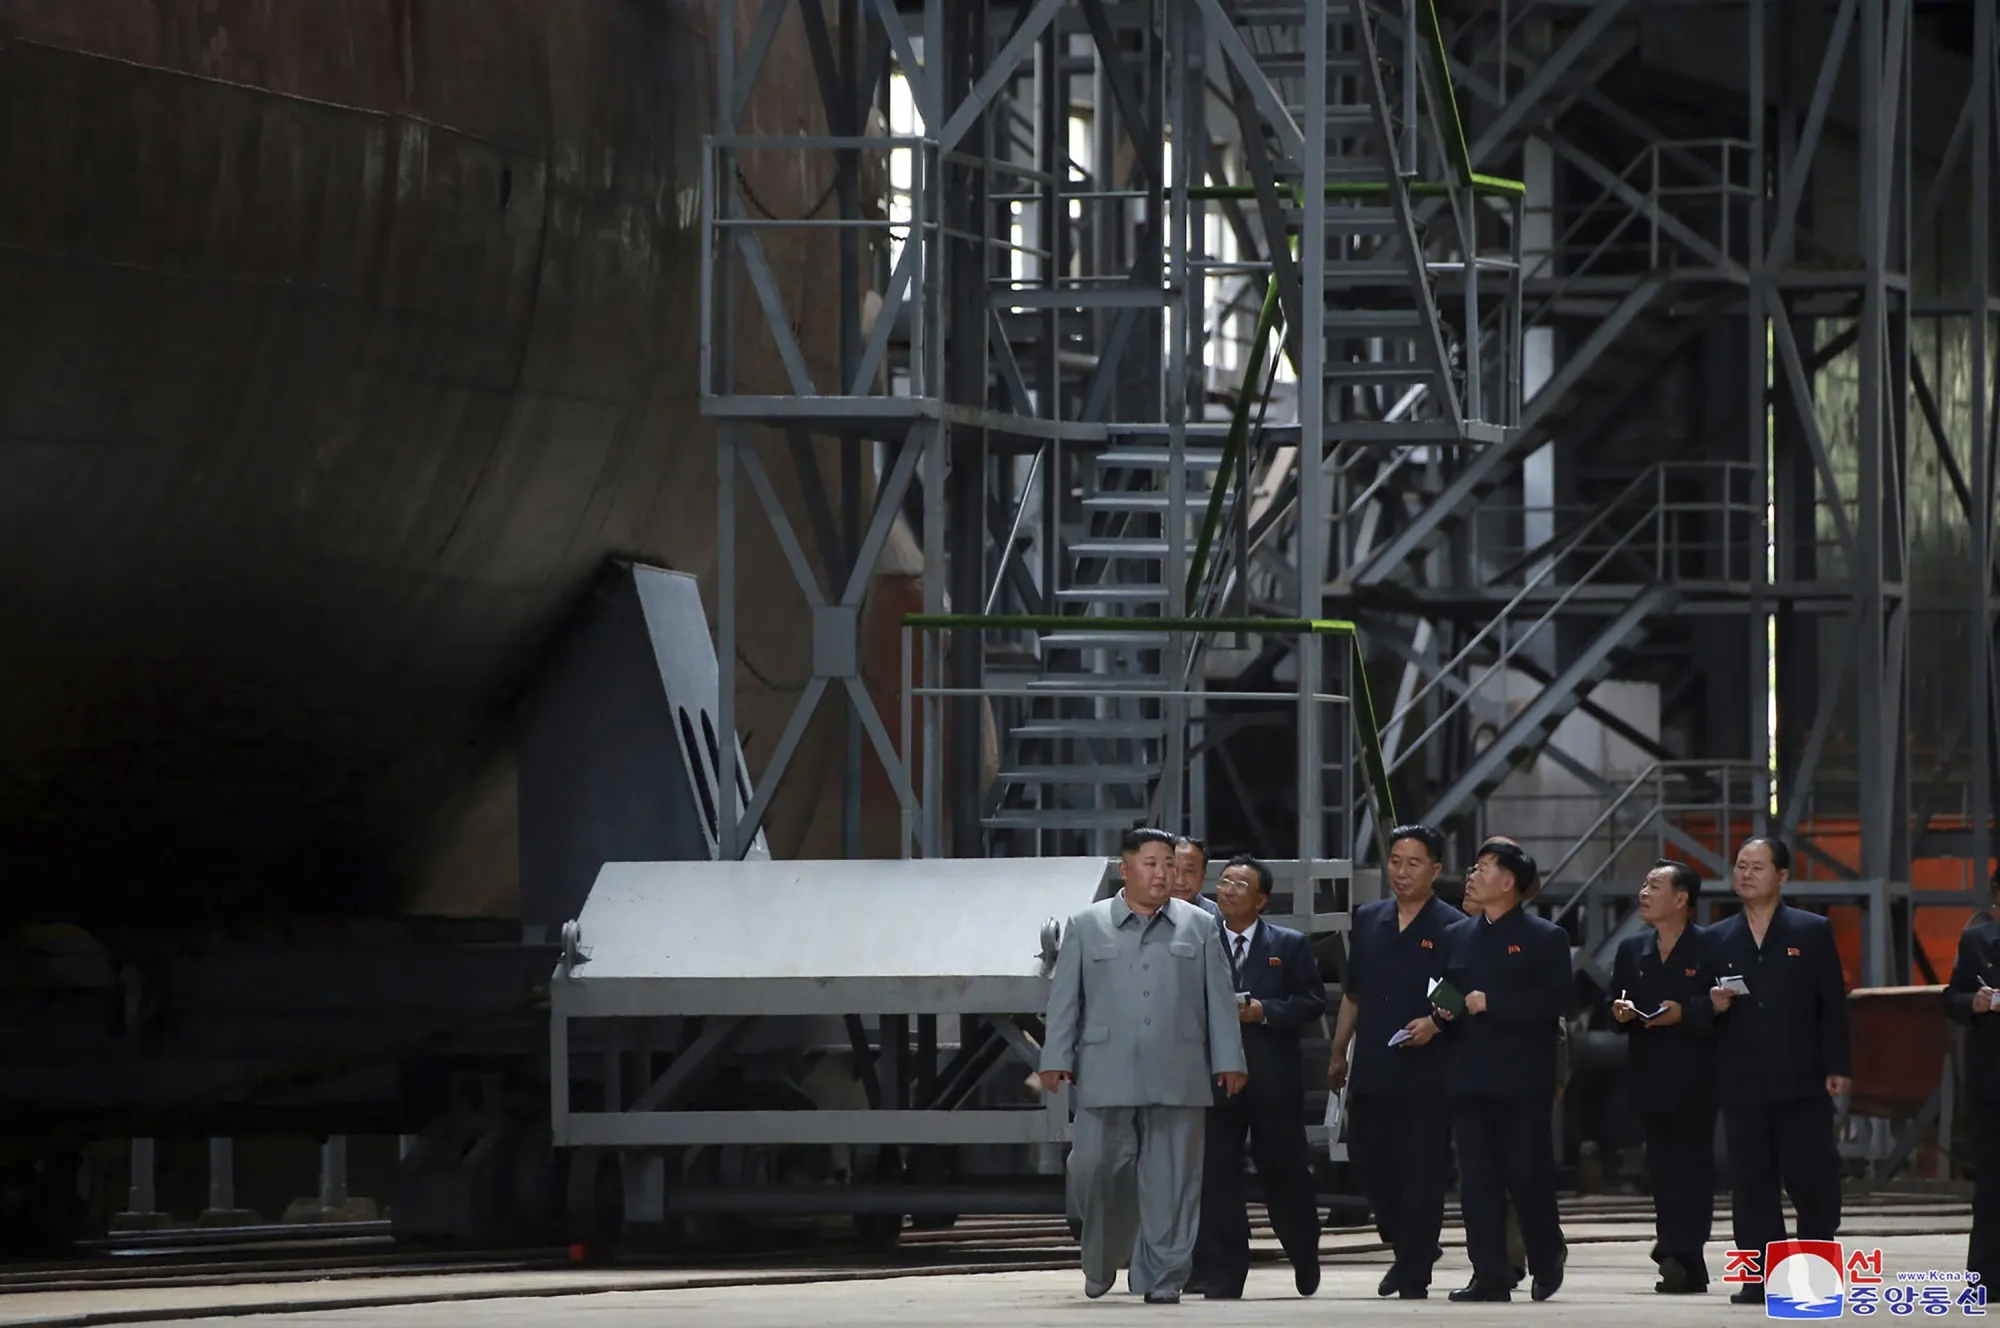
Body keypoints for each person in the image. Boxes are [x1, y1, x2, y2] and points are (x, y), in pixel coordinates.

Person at [1040, 826, 1248, 1303]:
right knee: (1094, 1169)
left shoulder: (1199, 925)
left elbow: (1220, 999)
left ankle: (1163, 1276)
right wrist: (1055, 1057)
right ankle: (1102, 1255)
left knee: (1174, 1182)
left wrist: (1229, 1059)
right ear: (1125, 869)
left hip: (1179, 1071)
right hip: (1106, 1072)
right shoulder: (1087, 925)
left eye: (1169, 864)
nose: (1163, 874)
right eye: (1151, 864)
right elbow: (1065, 999)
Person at [1705, 835, 1851, 1306]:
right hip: (1742, 1080)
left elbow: (1832, 1003)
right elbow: (1698, 1009)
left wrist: (1838, 1064)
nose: (1745, 874)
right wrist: (1710, 1005)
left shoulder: (1811, 931)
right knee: (1751, 1185)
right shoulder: (1716, 938)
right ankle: (1760, 1278)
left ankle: (1816, 1275)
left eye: (1757, 866)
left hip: (1801, 1078)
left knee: (1812, 1181)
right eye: (1740, 865)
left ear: (1782, 876)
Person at [1433, 837, 1571, 1303]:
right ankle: (1489, 1274)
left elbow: (1556, 1002)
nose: (1473, 875)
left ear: (1508, 882)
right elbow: (1445, 989)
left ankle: (1547, 1256)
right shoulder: (1457, 935)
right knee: (1477, 1184)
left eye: (1484, 867)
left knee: (1527, 1177)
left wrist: (1494, 1003)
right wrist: (1443, 1010)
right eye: (1474, 867)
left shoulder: (1544, 938)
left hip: (1521, 1081)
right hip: (1468, 1077)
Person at [1328, 822, 1459, 1299]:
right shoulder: (1369, 919)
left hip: (1428, 1070)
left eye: (1413, 864)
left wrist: (1435, 1022)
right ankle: (1409, 1248)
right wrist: (1338, 1051)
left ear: (1435, 870)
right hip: (1374, 1066)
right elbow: (1354, 994)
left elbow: (1461, 992)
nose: (1402, 872)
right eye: (1396, 862)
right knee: (1369, 1162)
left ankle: (1413, 1268)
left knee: (1422, 1174)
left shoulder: (1452, 925)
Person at [1190, 854, 1325, 1299]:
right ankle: (1228, 1272)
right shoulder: (1199, 941)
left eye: (1239, 885)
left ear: (1262, 900)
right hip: (1215, 1081)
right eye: (1224, 882)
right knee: (1218, 1177)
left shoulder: (1289, 944)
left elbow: (1311, 1001)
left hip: (1272, 1081)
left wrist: (1264, 1011)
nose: (1227, 890)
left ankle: (1303, 1251)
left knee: (1286, 1173)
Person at [1609, 859, 1718, 1294]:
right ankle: (1680, 1255)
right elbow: (1614, 1002)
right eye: (1644, 885)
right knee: (1661, 1169)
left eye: (1654, 886)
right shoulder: (1631, 949)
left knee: (1693, 1168)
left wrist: (1685, 1014)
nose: (1644, 893)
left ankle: (1681, 1253)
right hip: (1649, 1073)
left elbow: (1726, 1005)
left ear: (1681, 899)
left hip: (1697, 1076)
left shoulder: (1710, 946)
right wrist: (1620, 1012)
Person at [1945, 899, 2000, 1292]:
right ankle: (1986, 1278)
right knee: (1991, 1183)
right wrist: (1973, 1003)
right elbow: (1952, 998)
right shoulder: (1975, 941)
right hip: (1991, 1082)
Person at [1172, 835, 1219, 917]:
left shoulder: (1216, 916)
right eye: (1174, 870)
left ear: (1203, 875)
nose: (1180, 882)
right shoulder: (1149, 911)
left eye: (1189, 871)